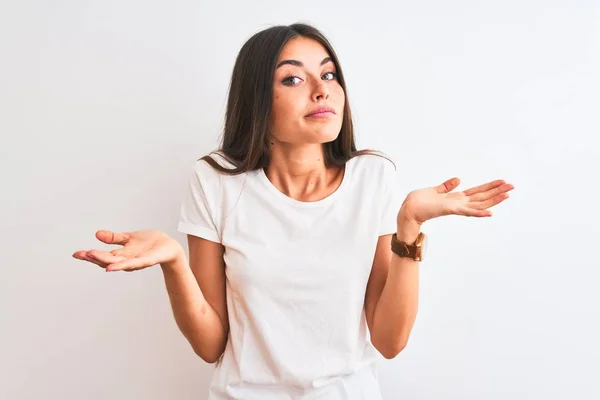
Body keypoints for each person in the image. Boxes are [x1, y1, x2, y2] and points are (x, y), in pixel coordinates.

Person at [73, 23, 514, 400]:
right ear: (257, 101)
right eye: (292, 79)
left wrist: (410, 226)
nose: (323, 89)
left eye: (329, 73)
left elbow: (389, 340)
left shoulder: (372, 177)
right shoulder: (215, 181)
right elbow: (211, 346)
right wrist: (173, 260)